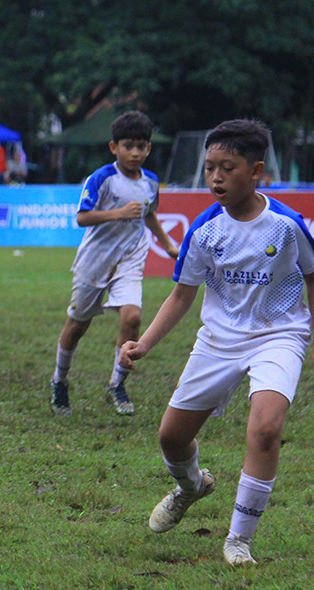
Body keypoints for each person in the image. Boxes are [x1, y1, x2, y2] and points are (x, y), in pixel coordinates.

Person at [120, 119, 314, 566]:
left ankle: (238, 540)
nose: (216, 178)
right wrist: (144, 344)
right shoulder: (205, 230)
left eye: (227, 167)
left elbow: (312, 276)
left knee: (266, 429)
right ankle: (192, 486)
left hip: (279, 334)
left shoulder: (287, 226)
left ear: (256, 171)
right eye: (209, 168)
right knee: (171, 437)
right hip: (219, 340)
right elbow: (182, 295)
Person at [50, 110, 180, 417]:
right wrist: (118, 213)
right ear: (114, 148)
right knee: (77, 324)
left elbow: (148, 215)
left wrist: (167, 243)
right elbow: (82, 217)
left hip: (131, 257)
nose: (134, 152)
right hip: (96, 259)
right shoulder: (102, 178)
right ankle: (60, 379)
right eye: (128, 146)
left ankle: (117, 384)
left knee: (132, 318)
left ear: (148, 149)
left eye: (140, 146)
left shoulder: (151, 181)